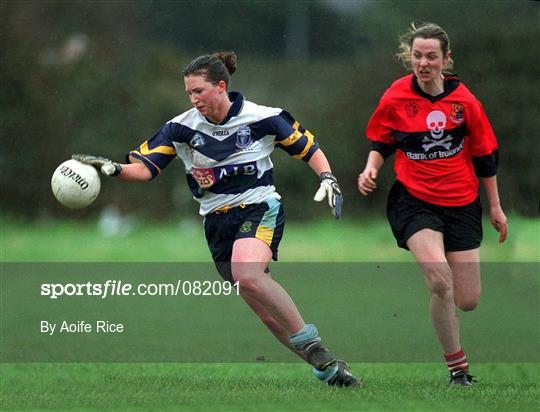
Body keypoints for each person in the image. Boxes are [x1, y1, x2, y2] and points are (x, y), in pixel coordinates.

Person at [73, 51, 360, 387]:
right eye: (189, 93)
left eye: (199, 91)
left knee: (248, 274)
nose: (194, 99)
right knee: (265, 312)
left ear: (221, 87)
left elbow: (307, 147)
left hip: (259, 207)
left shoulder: (263, 118)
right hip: (216, 224)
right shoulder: (180, 128)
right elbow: (146, 168)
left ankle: (313, 344)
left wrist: (328, 177)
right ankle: (328, 368)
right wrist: (114, 169)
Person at [357, 23, 508, 386]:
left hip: (461, 201)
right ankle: (458, 370)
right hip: (414, 200)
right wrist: (371, 168)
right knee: (440, 281)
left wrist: (496, 208)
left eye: (431, 57)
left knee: (467, 299)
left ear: (446, 59)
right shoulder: (395, 97)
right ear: (409, 57)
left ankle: (456, 346)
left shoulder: (465, 103)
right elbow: (382, 141)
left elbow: (485, 157)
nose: (423, 63)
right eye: (417, 56)